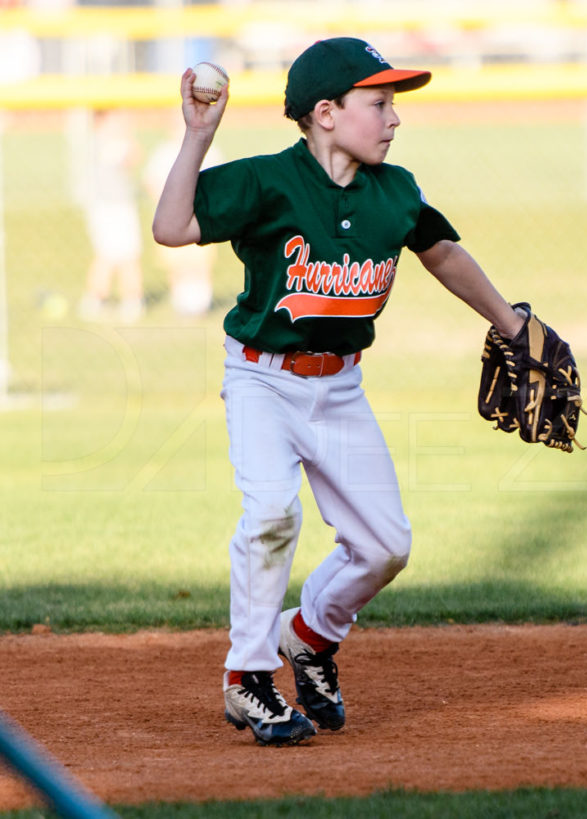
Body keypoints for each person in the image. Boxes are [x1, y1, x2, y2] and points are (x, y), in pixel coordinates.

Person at [151, 38, 527, 746]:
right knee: (269, 512)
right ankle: (248, 679)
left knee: (386, 545)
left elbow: (443, 253)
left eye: (393, 104)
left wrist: (511, 324)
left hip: (341, 386)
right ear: (326, 112)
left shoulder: (396, 190)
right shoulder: (269, 183)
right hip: (263, 377)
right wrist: (198, 137)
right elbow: (171, 228)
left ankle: (311, 636)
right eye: (378, 103)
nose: (393, 118)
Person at [143, 118, 222, 317]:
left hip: (201, 214)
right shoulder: (165, 151)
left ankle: (203, 300)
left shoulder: (209, 149)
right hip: (174, 215)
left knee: (200, 259)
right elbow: (151, 181)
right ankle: (180, 299)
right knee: (177, 261)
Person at [79, 108, 146, 324]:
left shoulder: (97, 144)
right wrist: (126, 135)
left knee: (115, 254)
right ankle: (129, 300)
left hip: (111, 206)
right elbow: (133, 156)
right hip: (113, 207)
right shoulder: (109, 143)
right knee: (121, 255)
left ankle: (102, 299)